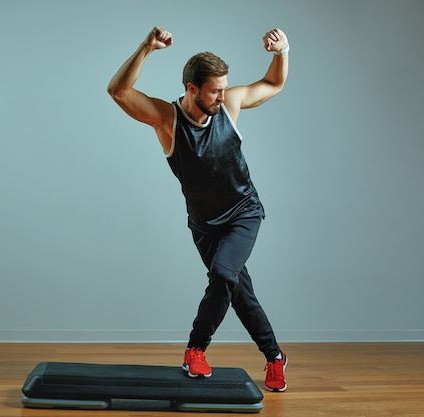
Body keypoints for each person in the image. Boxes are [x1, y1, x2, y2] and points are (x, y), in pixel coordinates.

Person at [107, 26, 289, 392]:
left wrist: (282, 52)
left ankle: (195, 348)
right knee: (236, 290)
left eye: (225, 88)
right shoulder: (167, 120)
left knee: (224, 276)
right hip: (205, 225)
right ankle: (275, 357)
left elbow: (272, 85)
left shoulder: (230, 104)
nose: (223, 96)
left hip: (243, 212)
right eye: (215, 90)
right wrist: (145, 48)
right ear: (192, 88)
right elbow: (119, 91)